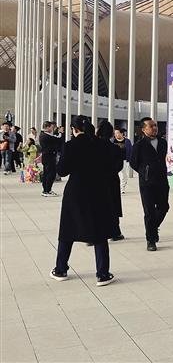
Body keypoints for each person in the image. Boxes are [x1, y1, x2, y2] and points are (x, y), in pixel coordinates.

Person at [49, 115, 118, 286]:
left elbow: (62, 171)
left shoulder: (70, 146)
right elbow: (113, 166)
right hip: (99, 191)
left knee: (67, 230)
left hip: (76, 192)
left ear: (74, 129)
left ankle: (60, 269)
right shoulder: (102, 144)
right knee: (99, 232)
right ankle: (102, 274)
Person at [130, 117, 170, 251]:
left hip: (162, 181)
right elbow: (133, 163)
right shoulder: (139, 145)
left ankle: (152, 228)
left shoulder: (163, 142)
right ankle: (151, 240)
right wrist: (145, 172)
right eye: (151, 126)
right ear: (143, 129)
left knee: (164, 207)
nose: (154, 128)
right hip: (147, 184)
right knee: (149, 212)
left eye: (155, 125)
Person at [96, 121, 125, 241]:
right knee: (113, 205)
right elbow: (119, 166)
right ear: (111, 133)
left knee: (96, 206)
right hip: (111, 180)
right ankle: (115, 232)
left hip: (96, 180)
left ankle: (94, 233)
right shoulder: (115, 148)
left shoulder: (93, 148)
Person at [39, 121, 62, 196]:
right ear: (47, 127)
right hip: (49, 157)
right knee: (51, 173)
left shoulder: (43, 134)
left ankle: (46, 190)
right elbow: (57, 139)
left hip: (46, 156)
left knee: (47, 173)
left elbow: (54, 137)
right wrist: (60, 132)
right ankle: (47, 190)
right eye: (51, 127)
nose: (52, 129)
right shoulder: (46, 135)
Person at [112, 128, 133, 194]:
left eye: (117, 133)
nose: (116, 135)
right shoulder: (113, 141)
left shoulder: (127, 141)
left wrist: (129, 159)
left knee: (123, 174)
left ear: (121, 133)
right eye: (115, 133)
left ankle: (122, 187)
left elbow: (131, 151)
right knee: (117, 175)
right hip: (115, 161)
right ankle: (118, 187)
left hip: (124, 160)